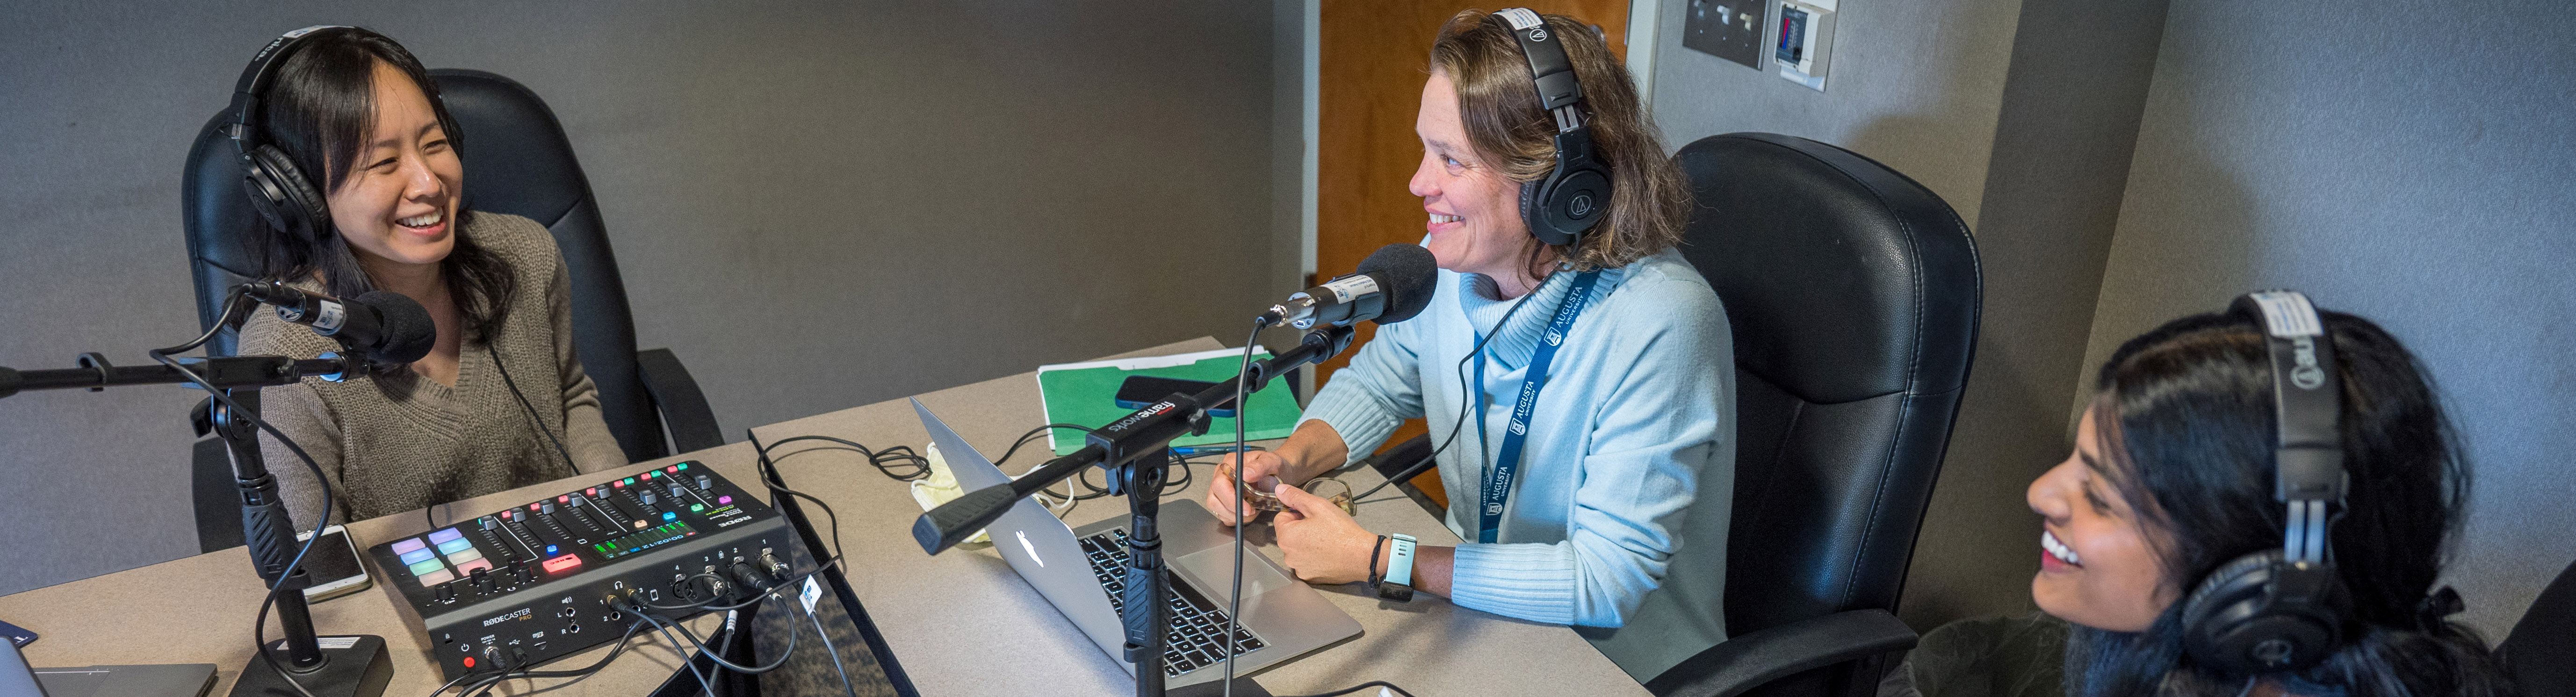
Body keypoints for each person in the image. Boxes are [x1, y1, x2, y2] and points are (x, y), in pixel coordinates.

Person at [1204, 9, 1732, 680]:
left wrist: (1382, 558)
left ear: (1558, 186)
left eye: (1451, 159)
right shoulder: (1448, 265)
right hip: (1474, 616)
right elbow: (1381, 377)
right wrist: (1288, 460)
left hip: (1612, 666)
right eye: (1427, 150)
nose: (1419, 184)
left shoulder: (1663, 321)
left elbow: (1607, 579)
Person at [1887, 298, 2520, 697]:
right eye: (2074, 458)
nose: (2039, 492)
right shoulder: (2161, 656)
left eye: (2102, 496)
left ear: (2262, 589)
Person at [231, 27, 627, 526]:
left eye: (435, 143)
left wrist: (623, 513)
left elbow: (572, 401)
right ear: (297, 195)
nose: (428, 183)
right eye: (385, 163)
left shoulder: (526, 254)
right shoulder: (287, 348)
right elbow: (316, 556)